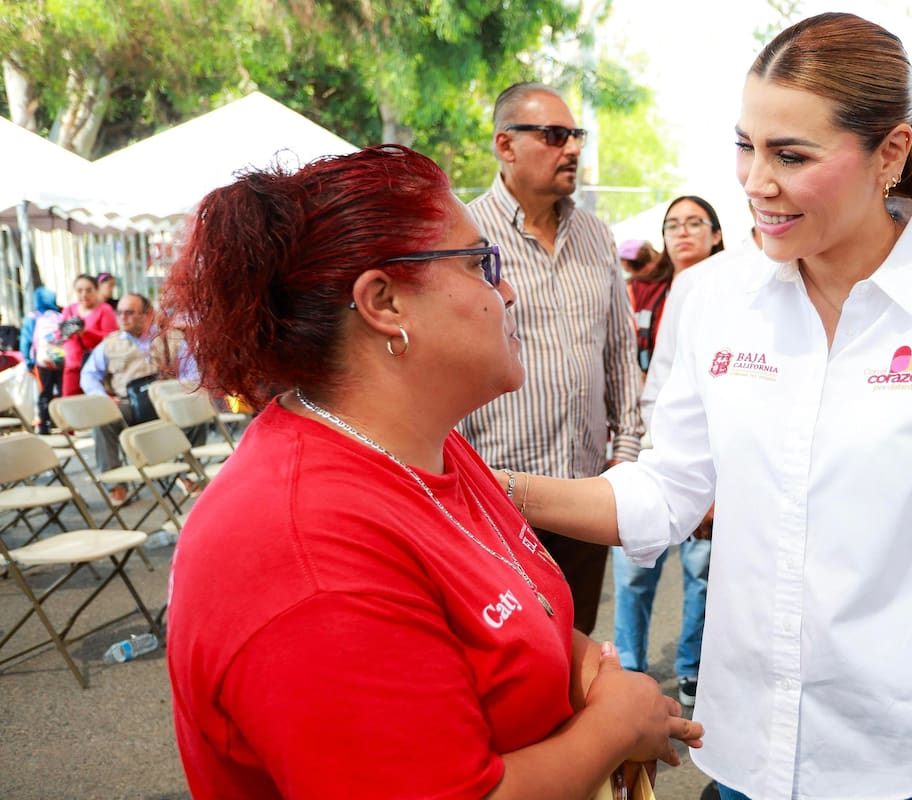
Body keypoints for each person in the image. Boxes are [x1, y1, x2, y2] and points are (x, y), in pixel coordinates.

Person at [499, 13, 912, 800]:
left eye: (791, 155)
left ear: (889, 153)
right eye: (746, 145)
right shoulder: (713, 297)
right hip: (743, 752)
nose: (754, 182)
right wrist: (491, 486)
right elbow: (668, 491)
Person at [162, 144, 700, 800]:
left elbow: (527, 618)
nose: (506, 290)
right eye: (480, 264)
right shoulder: (304, 551)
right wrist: (614, 728)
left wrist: (597, 675)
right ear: (384, 301)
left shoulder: (423, 447)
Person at [460, 82, 644, 635]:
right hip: (496, 497)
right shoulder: (466, 236)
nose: (572, 149)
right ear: (505, 145)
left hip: (586, 493)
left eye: (576, 136)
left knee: (577, 648)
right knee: (509, 660)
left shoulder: (595, 235)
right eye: (555, 135)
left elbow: (618, 350)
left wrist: (627, 454)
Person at [614, 196, 724, 707]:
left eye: (694, 223)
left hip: (708, 457)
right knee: (636, 567)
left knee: (702, 571)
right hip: (650, 444)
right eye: (672, 225)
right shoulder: (651, 288)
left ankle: (691, 669)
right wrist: (633, 447)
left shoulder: (733, 284)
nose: (683, 233)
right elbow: (653, 377)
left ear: (716, 234)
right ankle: (629, 672)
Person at [80, 293, 197, 502]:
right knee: (103, 419)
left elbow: (193, 373)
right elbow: (88, 375)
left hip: (165, 405)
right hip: (128, 405)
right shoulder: (110, 343)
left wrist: (177, 393)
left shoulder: (171, 337)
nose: (123, 317)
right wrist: (102, 397)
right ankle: (115, 484)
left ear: (147, 315)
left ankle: (188, 474)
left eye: (130, 312)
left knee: (197, 415)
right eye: (120, 312)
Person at [59, 273, 117, 397]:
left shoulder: (105, 310)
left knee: (97, 407)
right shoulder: (69, 310)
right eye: (80, 291)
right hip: (72, 367)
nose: (84, 294)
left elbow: (112, 339)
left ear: (97, 290)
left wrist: (85, 332)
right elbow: (60, 334)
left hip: (96, 369)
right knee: (70, 406)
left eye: (89, 290)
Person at [19, 285, 64, 434]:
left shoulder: (33, 317)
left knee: (45, 392)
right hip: (61, 360)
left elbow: (26, 340)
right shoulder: (59, 315)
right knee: (63, 392)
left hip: (43, 361)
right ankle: (64, 423)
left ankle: (44, 425)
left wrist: (28, 360)